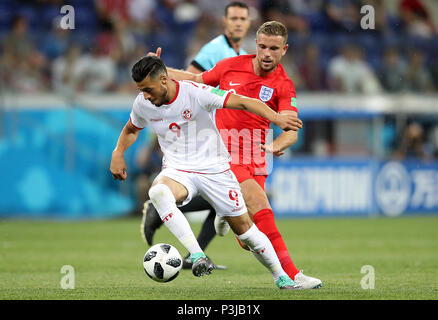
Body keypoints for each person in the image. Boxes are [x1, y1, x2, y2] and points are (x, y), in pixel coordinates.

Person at [149, 21, 322, 289]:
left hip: (259, 159)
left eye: (273, 49)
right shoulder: (231, 65)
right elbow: (196, 80)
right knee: (263, 211)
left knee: (247, 237)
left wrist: (279, 143)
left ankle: (224, 212)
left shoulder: (284, 85)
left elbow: (291, 128)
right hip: (225, 155)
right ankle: (291, 276)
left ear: (284, 50)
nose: (266, 53)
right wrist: (161, 71)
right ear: (256, 44)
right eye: (262, 46)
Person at [110, 55, 303, 289]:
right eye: (141, 90)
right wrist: (118, 152)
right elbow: (132, 128)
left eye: (148, 89)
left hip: (215, 170)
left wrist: (276, 118)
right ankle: (197, 255)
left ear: (164, 79)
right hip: (178, 169)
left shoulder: (195, 93)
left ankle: (281, 276)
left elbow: (242, 102)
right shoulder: (143, 103)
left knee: (245, 231)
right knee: (159, 192)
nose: (146, 96)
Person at [141, 1, 252, 270]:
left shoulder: (244, 54)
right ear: (224, 22)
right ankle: (167, 217)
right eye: (233, 18)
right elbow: (189, 81)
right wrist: (161, 72)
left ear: (249, 23)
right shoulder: (216, 49)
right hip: (203, 134)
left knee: (225, 200)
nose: (238, 23)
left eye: (243, 18)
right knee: (229, 196)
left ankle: (194, 254)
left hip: (225, 132)